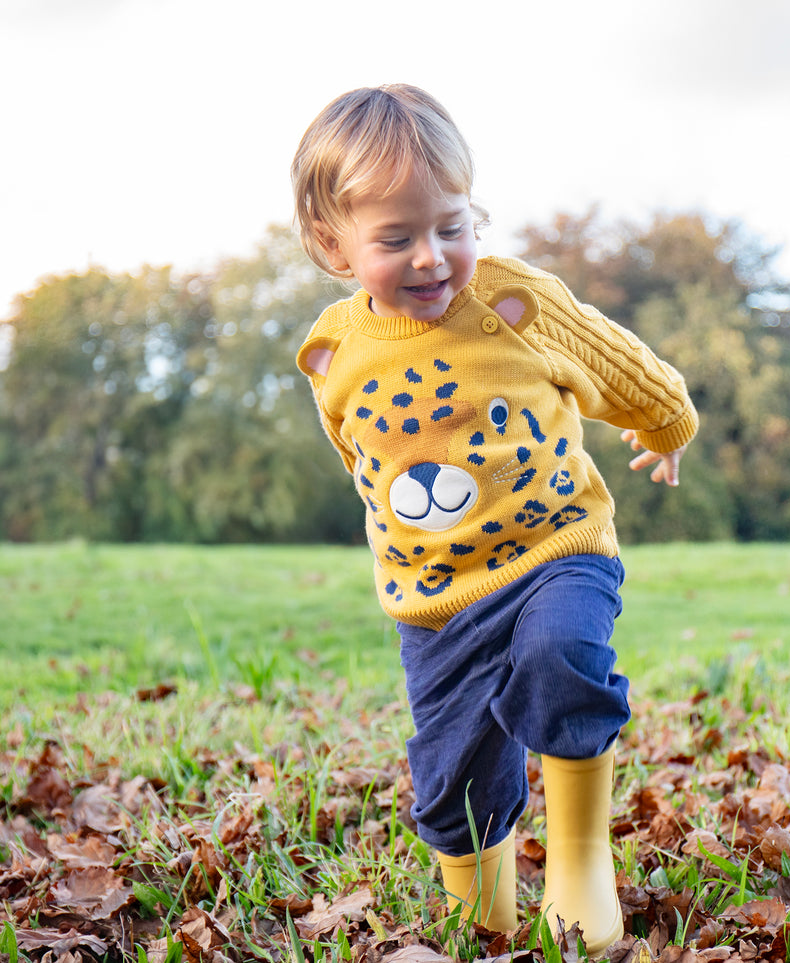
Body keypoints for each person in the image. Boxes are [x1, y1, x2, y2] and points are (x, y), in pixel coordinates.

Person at [290, 84, 697, 955]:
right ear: (333, 244)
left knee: (562, 658)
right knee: (449, 782)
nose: (433, 256)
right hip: (437, 598)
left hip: (557, 549)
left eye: (452, 224)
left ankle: (581, 860)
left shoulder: (515, 303)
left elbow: (615, 361)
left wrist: (665, 421)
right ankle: (487, 913)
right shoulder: (332, 354)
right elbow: (365, 460)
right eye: (396, 239)